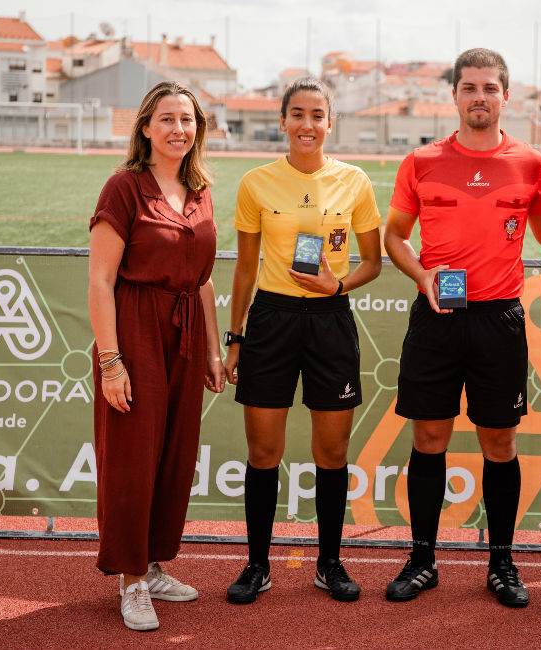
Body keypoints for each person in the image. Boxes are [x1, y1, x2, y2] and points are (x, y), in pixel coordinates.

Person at [382, 48, 541, 609]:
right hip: (437, 317)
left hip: (499, 319)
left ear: (507, 95)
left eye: (490, 87)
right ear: (453, 94)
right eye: (469, 87)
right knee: (428, 439)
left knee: (498, 443)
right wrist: (422, 275)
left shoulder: (530, 164)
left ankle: (501, 561)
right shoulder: (421, 160)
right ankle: (423, 557)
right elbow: (394, 237)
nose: (479, 96)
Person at [222, 77, 383, 605]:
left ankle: (329, 563)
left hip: (330, 319)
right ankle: (257, 565)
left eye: (317, 115)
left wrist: (338, 284)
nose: (307, 124)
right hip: (272, 320)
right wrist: (235, 338)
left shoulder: (355, 181)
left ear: (330, 122)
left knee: (332, 451)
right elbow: (245, 269)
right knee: (263, 450)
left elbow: (373, 262)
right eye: (297, 114)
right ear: (283, 121)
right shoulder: (255, 182)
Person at [88, 80, 225, 632]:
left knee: (172, 455)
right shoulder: (123, 187)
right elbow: (100, 280)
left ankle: (153, 564)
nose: (178, 130)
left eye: (187, 120)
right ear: (145, 127)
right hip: (136, 327)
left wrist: (213, 350)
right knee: (132, 457)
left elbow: (205, 281)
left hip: (188, 334)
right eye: (167, 119)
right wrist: (111, 360)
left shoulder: (200, 189)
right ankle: (131, 581)